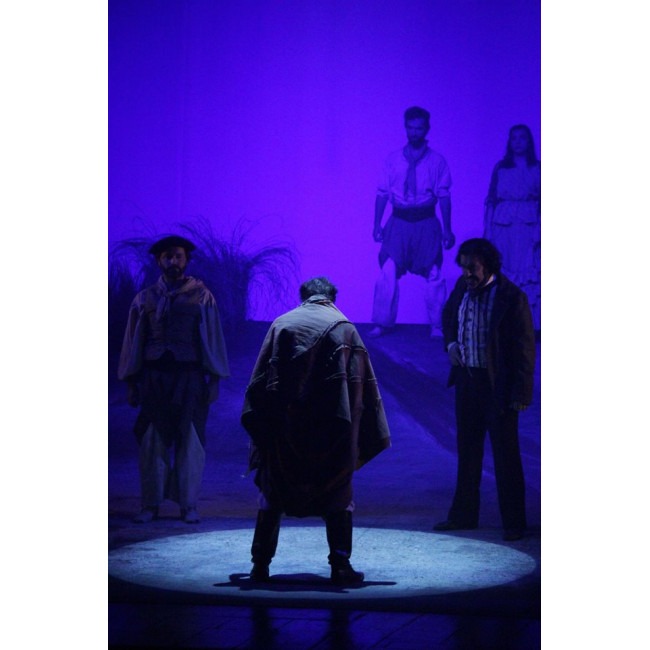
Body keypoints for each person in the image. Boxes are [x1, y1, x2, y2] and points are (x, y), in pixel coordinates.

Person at [241, 277, 391, 585]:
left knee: (272, 494)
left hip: (285, 429)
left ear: (303, 297)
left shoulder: (282, 324)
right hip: (330, 431)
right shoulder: (344, 328)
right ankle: (340, 566)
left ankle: (260, 566)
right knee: (338, 494)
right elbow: (359, 390)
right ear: (332, 298)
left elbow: (260, 383)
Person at [118, 235, 230, 524]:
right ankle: (150, 504)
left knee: (190, 440)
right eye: (167, 256)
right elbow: (134, 341)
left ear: (186, 260)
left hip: (189, 377)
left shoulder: (201, 296)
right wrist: (131, 381)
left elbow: (212, 338)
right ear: (159, 261)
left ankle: (188, 504)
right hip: (154, 377)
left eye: (178, 256)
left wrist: (215, 379)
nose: (173, 261)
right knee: (151, 440)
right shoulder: (145, 298)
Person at [432, 238, 535, 541]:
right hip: (467, 382)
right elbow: (448, 316)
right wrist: (451, 344)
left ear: (488, 265)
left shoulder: (511, 297)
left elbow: (524, 350)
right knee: (468, 453)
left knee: (506, 457)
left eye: (472, 267)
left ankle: (514, 523)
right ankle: (463, 516)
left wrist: (521, 394)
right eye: (463, 267)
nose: (466, 273)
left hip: (497, 388)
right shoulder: (462, 287)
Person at [371, 106, 455, 338]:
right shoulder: (393, 160)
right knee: (388, 269)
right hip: (399, 221)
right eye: (410, 127)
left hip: (426, 221)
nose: (414, 132)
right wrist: (376, 224)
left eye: (419, 128)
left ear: (426, 129)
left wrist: (448, 229)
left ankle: (437, 324)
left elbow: (444, 196)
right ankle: (382, 322)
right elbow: (382, 193)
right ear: (405, 128)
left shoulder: (436, 162)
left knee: (433, 272)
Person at [483, 124, 541, 330]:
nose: (518, 142)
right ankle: (505, 324)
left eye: (522, 137)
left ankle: (529, 324)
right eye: (514, 138)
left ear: (529, 141)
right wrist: (487, 229)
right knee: (505, 268)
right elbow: (491, 200)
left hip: (529, 224)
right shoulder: (501, 167)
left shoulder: (538, 168)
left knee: (528, 269)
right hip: (503, 224)